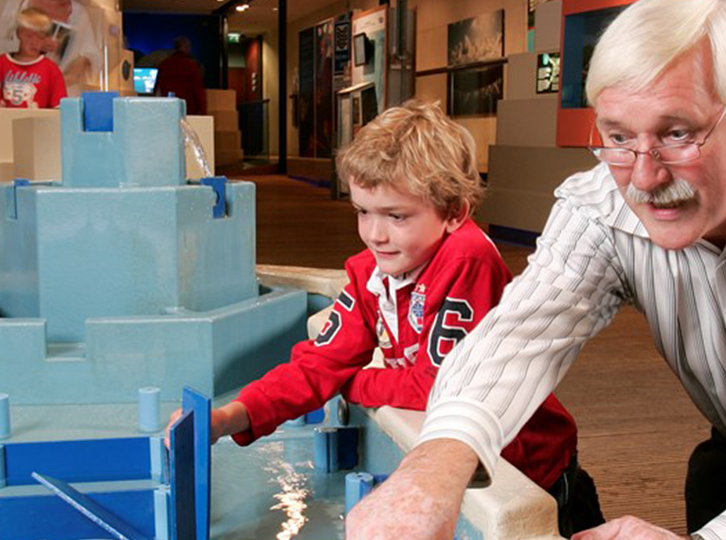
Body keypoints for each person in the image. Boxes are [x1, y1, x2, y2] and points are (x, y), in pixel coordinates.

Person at [345, 0, 726, 537]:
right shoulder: (601, 200)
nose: (644, 179)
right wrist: (431, 472)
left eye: (677, 134)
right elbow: (519, 335)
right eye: (618, 138)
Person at [183, 101, 604, 536]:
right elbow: (317, 363)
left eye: (396, 216)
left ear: (455, 212)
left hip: (532, 466)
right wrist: (233, 415)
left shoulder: (467, 258)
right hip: (463, 472)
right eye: (363, 212)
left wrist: (348, 382)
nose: (374, 234)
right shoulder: (371, 272)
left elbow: (438, 387)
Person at [0, 7, 66, 109]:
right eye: (29, 36)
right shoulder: (1, 63)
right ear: (19, 33)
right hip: (3, 122)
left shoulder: (51, 69)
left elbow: (59, 108)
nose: (34, 42)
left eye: (40, 37)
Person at [154, 36, 206, 116]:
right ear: (186, 47)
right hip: (188, 108)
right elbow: (197, 89)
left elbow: (158, 88)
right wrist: (203, 110)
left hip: (168, 108)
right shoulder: (191, 65)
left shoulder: (164, 64)